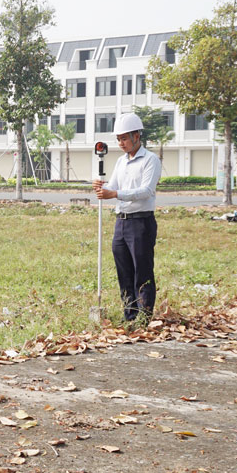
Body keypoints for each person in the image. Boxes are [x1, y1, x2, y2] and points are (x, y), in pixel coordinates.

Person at [93, 112, 162, 322]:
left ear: (136, 136)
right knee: (124, 271)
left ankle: (144, 316)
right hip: (121, 222)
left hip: (141, 221)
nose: (121, 143)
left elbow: (146, 191)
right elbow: (113, 186)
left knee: (142, 271)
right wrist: (101, 187)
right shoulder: (121, 162)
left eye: (124, 138)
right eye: (118, 139)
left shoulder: (150, 160)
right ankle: (129, 314)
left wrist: (114, 194)